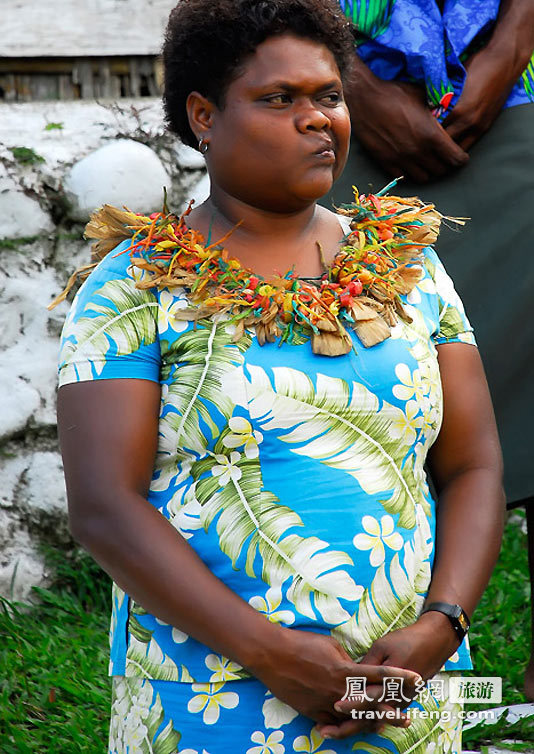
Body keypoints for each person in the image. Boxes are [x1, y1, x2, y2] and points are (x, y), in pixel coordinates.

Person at [54, 1, 505, 751]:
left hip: (404, 692)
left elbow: (474, 463)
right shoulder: (134, 286)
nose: (316, 119)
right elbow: (105, 506)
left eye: (328, 96)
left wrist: (441, 624)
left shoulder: (410, 268)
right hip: (208, 697)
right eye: (278, 99)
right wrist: (272, 655)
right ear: (203, 115)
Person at [323, 0, 534, 698]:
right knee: (361, 391)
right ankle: (373, 675)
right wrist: (344, 77)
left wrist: (513, 41)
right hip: (334, 108)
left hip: (511, 96)